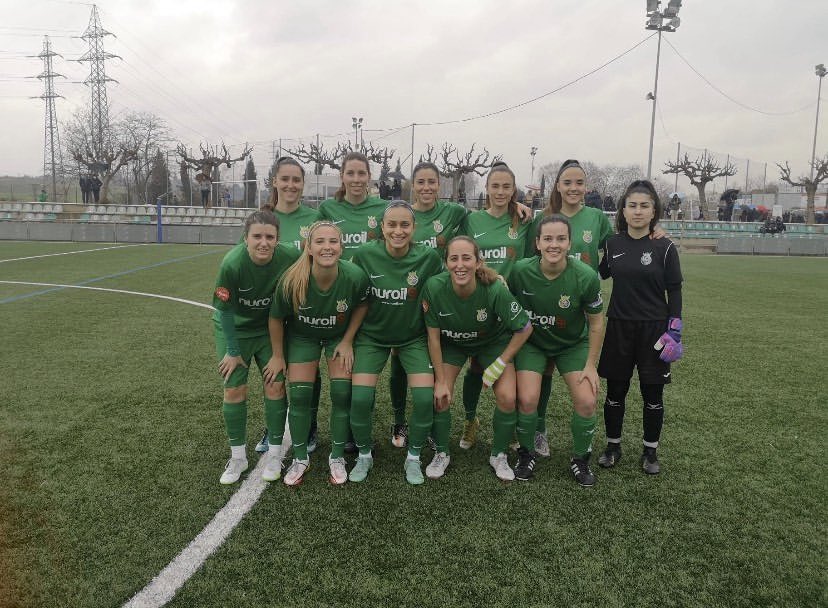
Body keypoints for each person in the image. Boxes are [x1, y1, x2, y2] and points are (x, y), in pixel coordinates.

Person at [422, 236, 532, 481]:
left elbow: (524, 328)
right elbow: (434, 339)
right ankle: (441, 452)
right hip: (453, 344)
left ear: (479, 262)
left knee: (507, 397)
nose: (460, 265)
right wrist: (440, 380)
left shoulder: (494, 289)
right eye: (454, 258)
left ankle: (499, 454)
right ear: (446, 263)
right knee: (439, 396)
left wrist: (500, 363)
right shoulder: (434, 287)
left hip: (491, 343)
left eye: (466, 258)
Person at [268, 221, 369, 485]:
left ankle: (336, 456)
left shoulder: (355, 276)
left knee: (342, 393)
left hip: (337, 337)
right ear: (309, 247)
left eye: (333, 242)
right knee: (300, 395)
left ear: (342, 247)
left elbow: (362, 305)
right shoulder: (291, 279)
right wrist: (278, 355)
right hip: (303, 337)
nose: (327, 247)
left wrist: (347, 340)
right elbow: (276, 318)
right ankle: (300, 457)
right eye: (320, 242)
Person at [349, 201, 443, 485]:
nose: (398, 230)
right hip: (372, 338)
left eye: (405, 225)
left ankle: (413, 457)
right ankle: (364, 454)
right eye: (392, 224)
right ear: (382, 227)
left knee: (426, 399)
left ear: (414, 228)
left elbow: (447, 284)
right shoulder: (365, 254)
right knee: (361, 398)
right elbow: (347, 285)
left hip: (412, 338)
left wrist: (491, 279)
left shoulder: (428, 257)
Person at [596, 180, 683, 476]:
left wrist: (674, 328)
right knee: (615, 391)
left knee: (653, 395)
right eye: (632, 205)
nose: (637, 211)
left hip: (654, 331)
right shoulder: (612, 244)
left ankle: (650, 451)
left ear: (654, 210)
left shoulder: (665, 247)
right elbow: (601, 273)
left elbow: (675, 291)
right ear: (623, 209)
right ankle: (612, 447)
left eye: (644, 206)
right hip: (619, 326)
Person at [510, 215, 605, 485]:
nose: (554, 245)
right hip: (533, 344)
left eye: (561, 239)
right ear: (537, 243)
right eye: (548, 239)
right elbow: (508, 306)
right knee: (528, 399)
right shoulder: (520, 271)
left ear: (569, 242)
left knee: (587, 401)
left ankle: (580, 459)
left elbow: (597, 322)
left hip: (572, 345)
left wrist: (590, 364)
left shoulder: (585, 276)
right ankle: (527, 453)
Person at [211, 210, 301, 484]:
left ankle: (274, 453)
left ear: (278, 239)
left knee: (275, 385)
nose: (263, 242)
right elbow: (224, 311)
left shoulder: (289, 257)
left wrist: (278, 353)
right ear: (246, 238)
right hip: (234, 330)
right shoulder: (232, 264)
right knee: (234, 389)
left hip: (268, 331)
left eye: (270, 237)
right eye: (257, 236)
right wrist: (233, 351)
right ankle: (238, 456)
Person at [457, 161, 535, 450]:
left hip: (509, 309)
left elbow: (530, 261)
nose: (500, 191)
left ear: (514, 189)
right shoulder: (471, 221)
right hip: (477, 306)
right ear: (487, 189)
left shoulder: (524, 221)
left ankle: (510, 426)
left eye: (506, 186)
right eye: (495, 186)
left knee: (506, 370)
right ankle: (470, 420)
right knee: (475, 366)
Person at [253, 157, 322, 456]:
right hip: (273, 312)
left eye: (297, 180)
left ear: (303, 184)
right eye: (285, 179)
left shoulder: (314, 218)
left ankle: (309, 426)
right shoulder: (263, 219)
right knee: (275, 374)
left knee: (309, 372)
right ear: (274, 182)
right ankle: (275, 428)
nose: (291, 185)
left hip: (308, 311)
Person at [318, 151, 387, 257]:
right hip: (338, 273)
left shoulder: (384, 208)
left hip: (370, 273)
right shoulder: (327, 208)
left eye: (361, 173)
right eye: (350, 173)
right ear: (342, 176)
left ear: (369, 176)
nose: (356, 179)